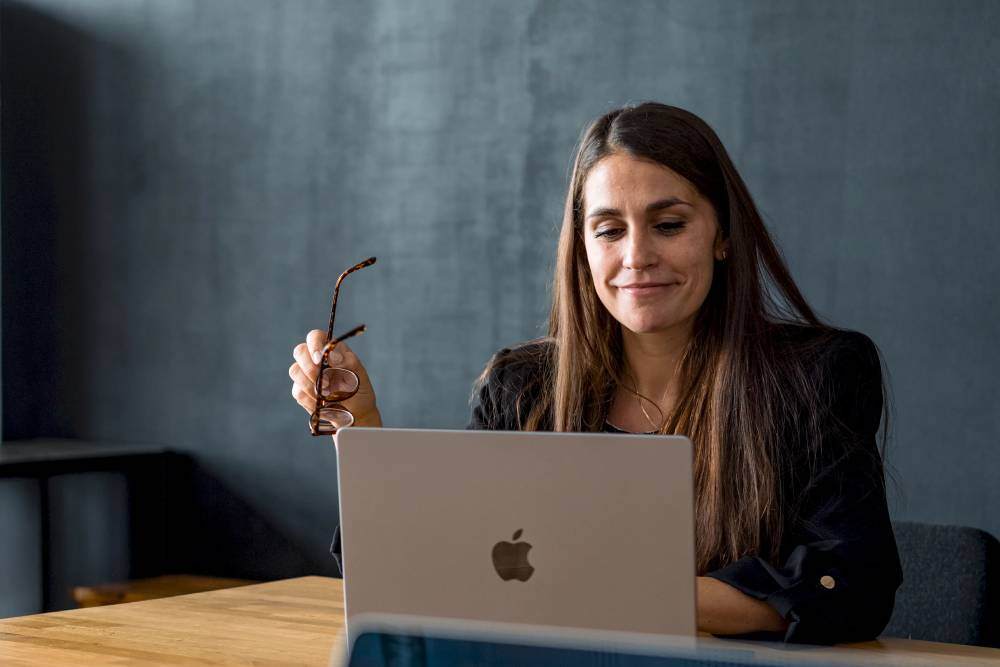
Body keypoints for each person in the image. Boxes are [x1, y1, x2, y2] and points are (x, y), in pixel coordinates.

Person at [288, 102, 902, 645]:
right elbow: (431, 571)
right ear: (582, 247)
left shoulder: (818, 375)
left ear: (721, 234)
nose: (636, 257)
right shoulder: (520, 387)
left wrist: (619, 596)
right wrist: (361, 427)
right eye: (609, 230)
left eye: (668, 225)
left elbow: (852, 587)